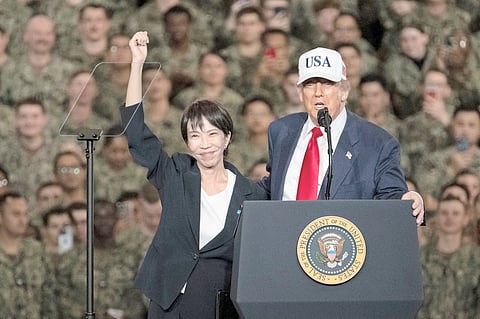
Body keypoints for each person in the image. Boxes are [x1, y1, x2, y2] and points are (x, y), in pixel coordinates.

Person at [121, 31, 269, 318]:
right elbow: (136, 134)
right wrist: (137, 64)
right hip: (168, 301)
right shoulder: (175, 173)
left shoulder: (252, 192)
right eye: (195, 135)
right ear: (187, 142)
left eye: (213, 134)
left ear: (227, 138)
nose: (205, 144)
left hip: (218, 303)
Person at [260, 46, 424, 225]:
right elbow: (271, 188)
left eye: (328, 83)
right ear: (300, 93)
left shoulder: (378, 143)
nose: (318, 92)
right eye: (309, 84)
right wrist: (228, 183)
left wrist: (409, 199)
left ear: (344, 91)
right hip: (282, 242)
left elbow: (391, 198)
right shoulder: (281, 130)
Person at [416, 195, 480, 319]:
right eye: (444, 213)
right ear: (436, 217)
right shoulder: (421, 257)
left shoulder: (476, 258)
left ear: (465, 218)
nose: (449, 218)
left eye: (455, 213)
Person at [0, 191, 58, 319]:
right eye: (16, 214)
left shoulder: (37, 251)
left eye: (25, 214)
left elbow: (49, 296)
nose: (23, 220)